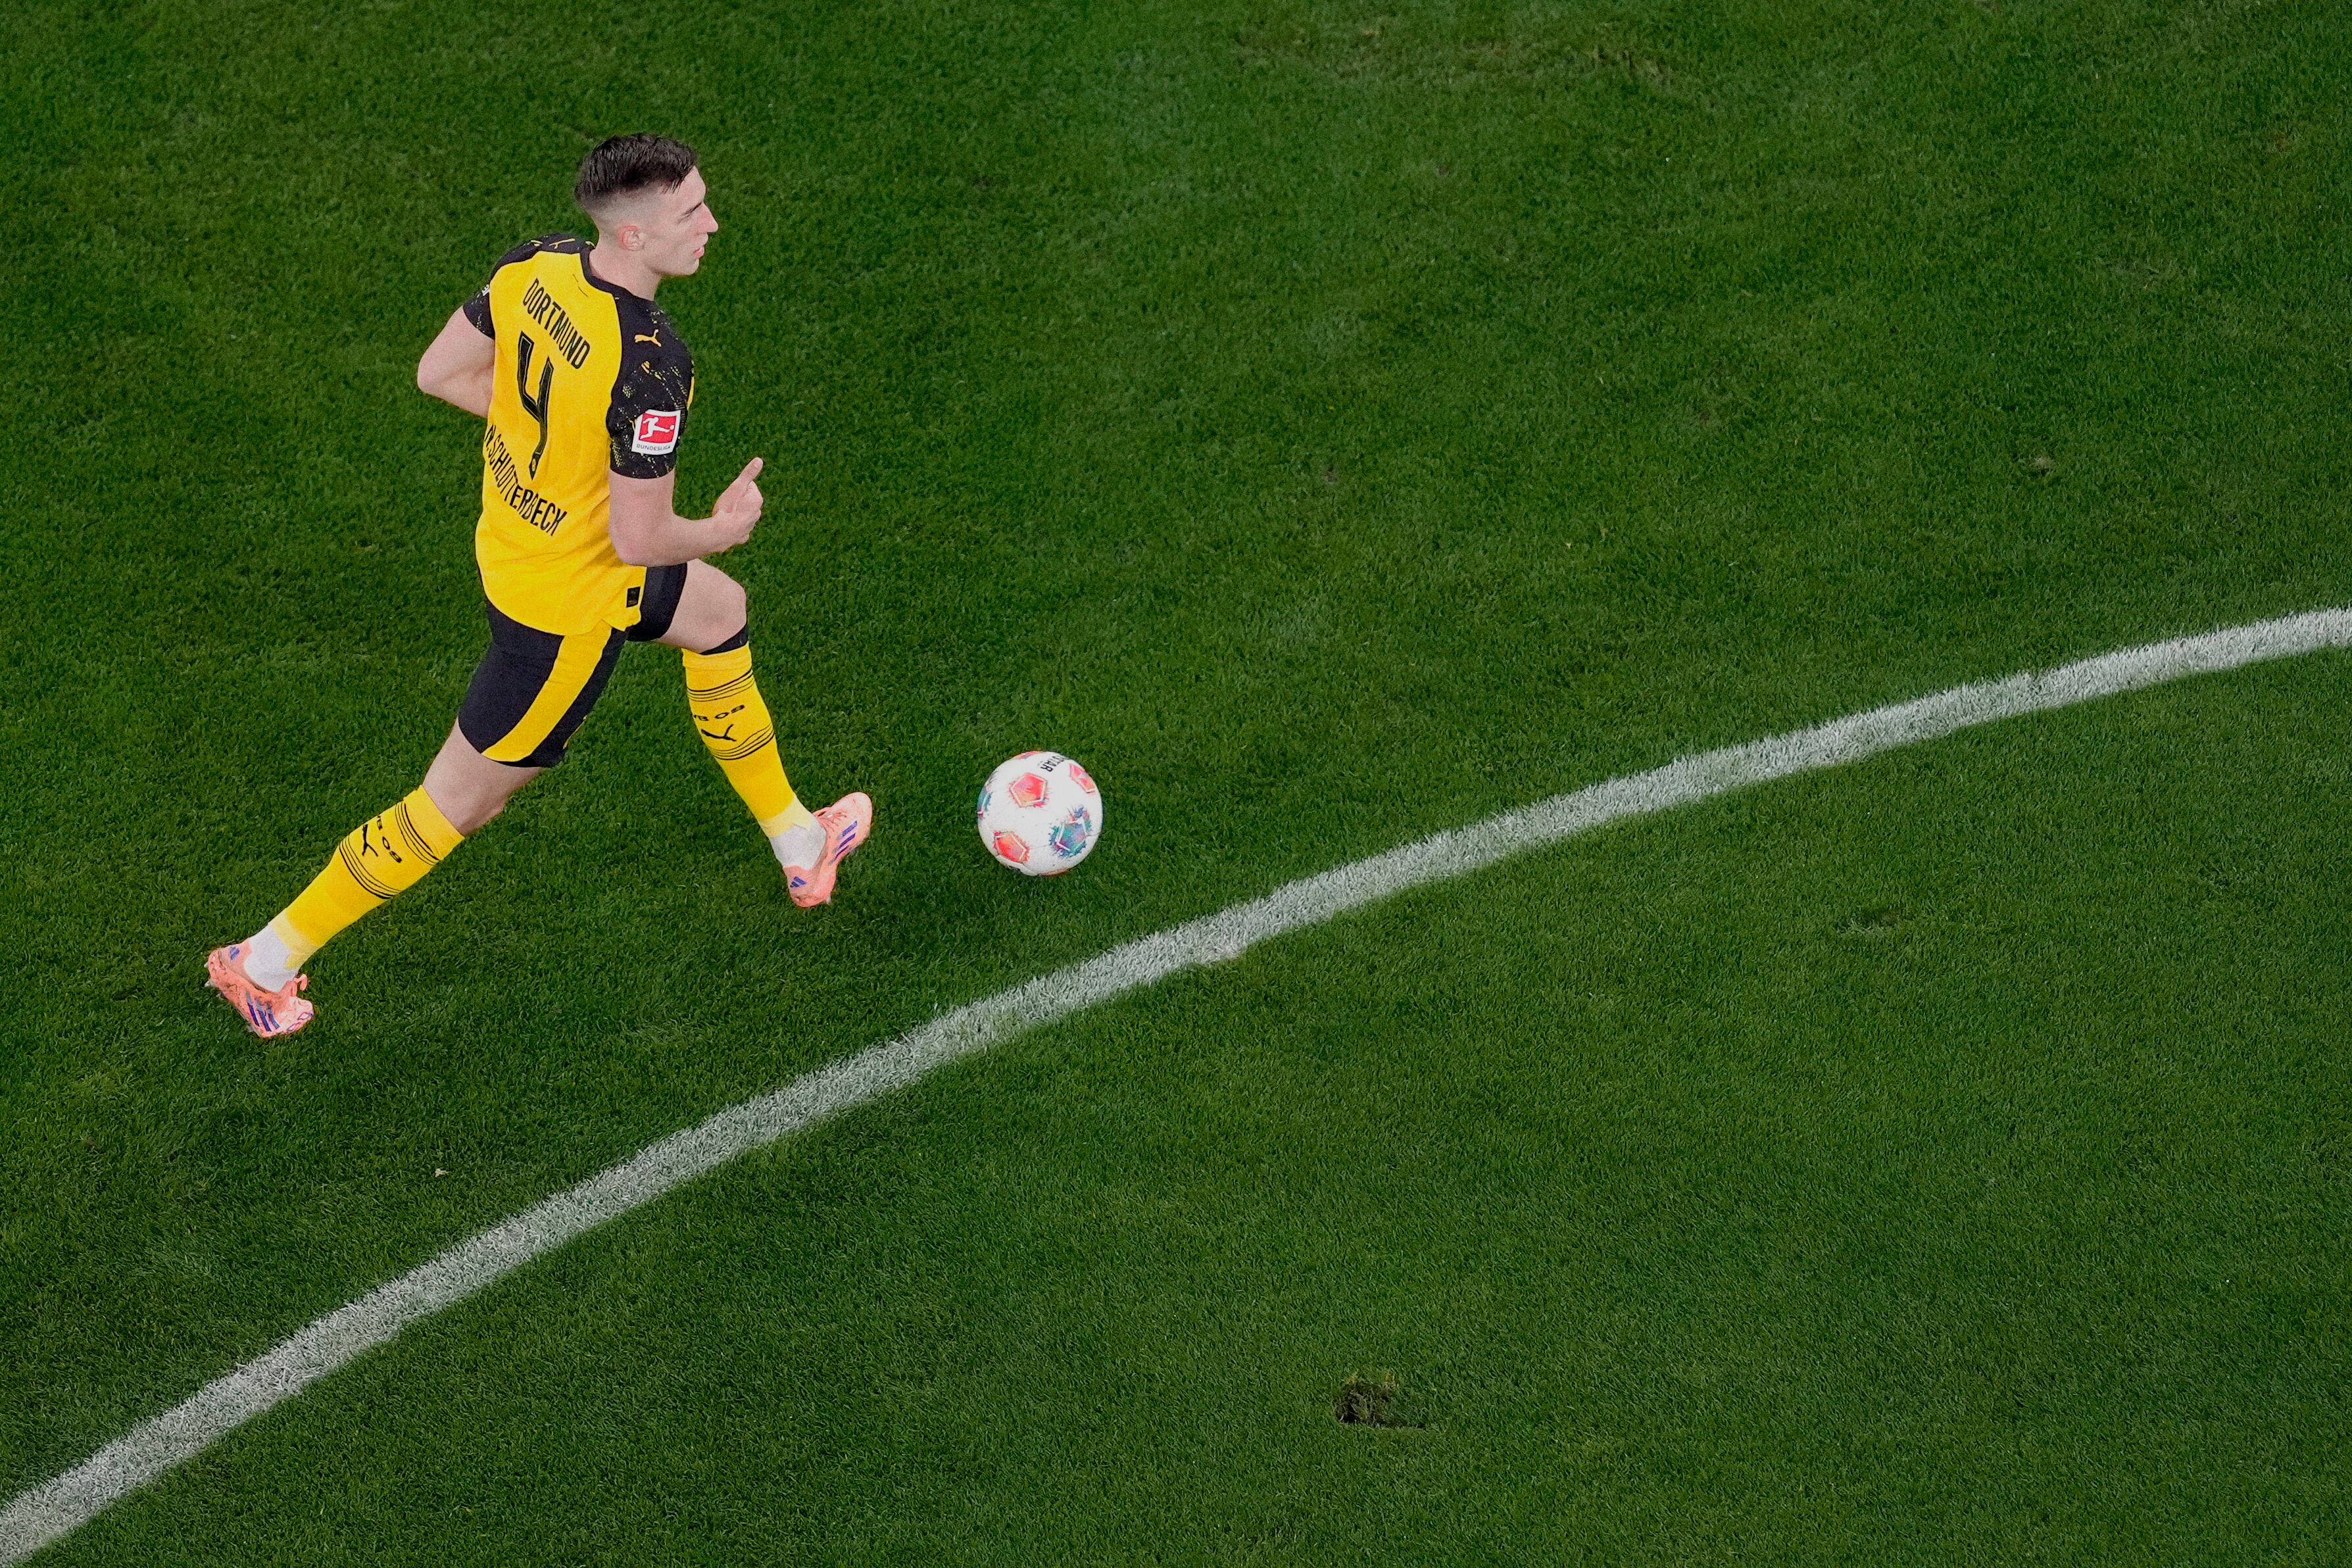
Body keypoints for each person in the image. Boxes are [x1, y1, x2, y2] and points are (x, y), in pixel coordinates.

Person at [205, 133, 870, 1039]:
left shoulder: (536, 266)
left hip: (517, 549)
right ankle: (263, 961)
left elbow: (438, 373)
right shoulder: (650, 362)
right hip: (570, 609)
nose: (712, 225)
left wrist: (553, 442)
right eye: (691, 214)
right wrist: (724, 527)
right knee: (454, 806)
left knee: (719, 612)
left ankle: (801, 843)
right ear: (634, 237)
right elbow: (641, 539)